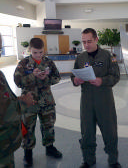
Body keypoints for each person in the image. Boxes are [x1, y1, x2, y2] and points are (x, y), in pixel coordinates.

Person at [71, 28, 121, 168]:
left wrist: (102, 81)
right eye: (84, 42)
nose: (86, 45)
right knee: (86, 133)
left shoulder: (108, 56)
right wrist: (75, 80)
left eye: (89, 41)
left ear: (96, 39)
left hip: (104, 101)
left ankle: (113, 160)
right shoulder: (80, 58)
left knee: (110, 132)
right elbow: (73, 76)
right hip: (86, 102)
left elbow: (115, 76)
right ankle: (88, 160)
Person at [14, 38, 62, 167]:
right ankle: (28, 154)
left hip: (46, 100)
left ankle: (50, 148)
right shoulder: (23, 63)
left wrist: (46, 77)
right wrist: (32, 76)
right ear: (30, 50)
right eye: (35, 52)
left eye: (41, 52)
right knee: (28, 128)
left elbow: (57, 78)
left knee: (49, 125)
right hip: (29, 102)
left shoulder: (49, 62)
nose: (38, 55)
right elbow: (17, 82)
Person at [0, 34, 34, 167]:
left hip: (6, 144)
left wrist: (17, 99)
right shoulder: (23, 64)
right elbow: (5, 111)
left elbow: (6, 98)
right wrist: (24, 103)